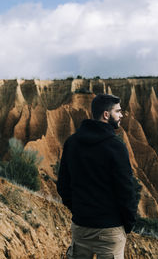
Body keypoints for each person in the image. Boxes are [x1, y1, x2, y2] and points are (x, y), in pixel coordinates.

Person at [57, 93, 137, 259]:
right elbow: (126, 191)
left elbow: (63, 185)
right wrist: (127, 224)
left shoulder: (72, 143)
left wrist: (80, 211)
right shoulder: (116, 147)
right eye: (118, 111)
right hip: (110, 230)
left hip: (81, 227)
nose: (122, 115)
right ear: (106, 115)